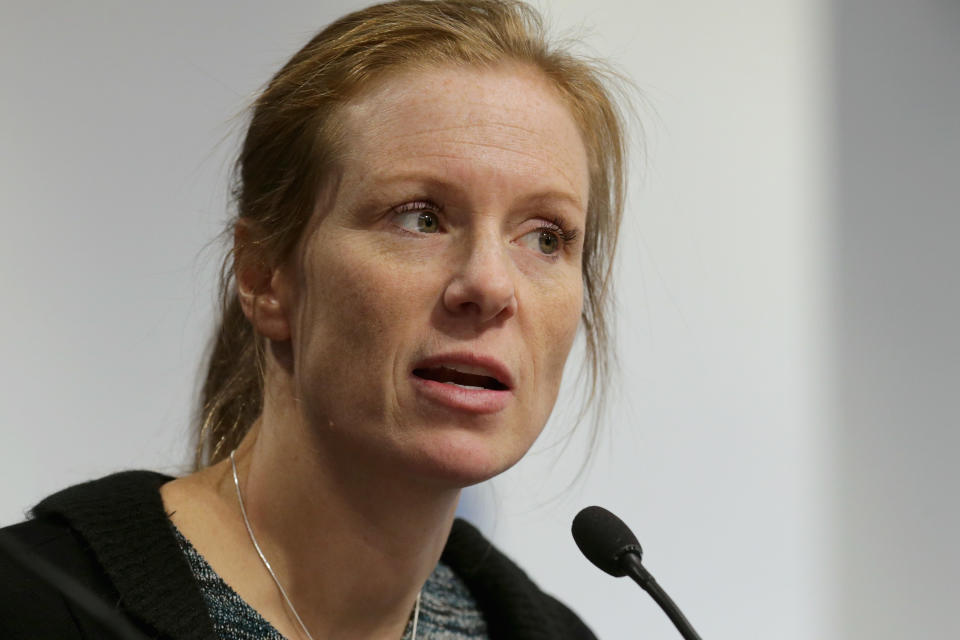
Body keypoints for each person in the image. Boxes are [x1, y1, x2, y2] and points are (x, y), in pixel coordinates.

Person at [0, 1, 626, 638]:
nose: (491, 285)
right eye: (421, 218)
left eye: (546, 238)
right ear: (266, 276)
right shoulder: (30, 606)